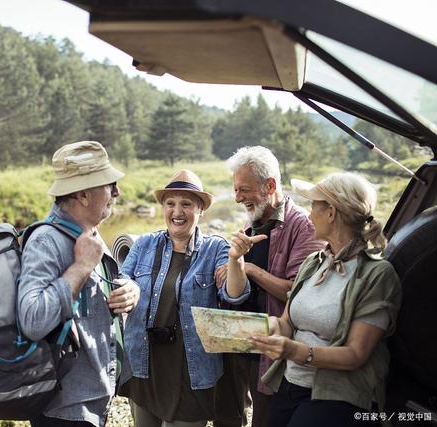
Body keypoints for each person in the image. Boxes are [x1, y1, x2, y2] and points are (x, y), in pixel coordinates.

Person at [251, 172, 402, 427]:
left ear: (331, 212)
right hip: (290, 384)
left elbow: (356, 354)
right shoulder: (314, 262)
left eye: (313, 206)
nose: (308, 215)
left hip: (339, 396)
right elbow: (288, 321)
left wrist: (295, 351)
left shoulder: (376, 274)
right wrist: (267, 329)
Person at [118, 169, 265, 427]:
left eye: (186, 204)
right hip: (144, 365)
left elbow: (235, 295)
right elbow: (122, 281)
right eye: (170, 204)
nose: (177, 212)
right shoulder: (144, 245)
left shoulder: (215, 248)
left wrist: (236, 260)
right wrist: (125, 291)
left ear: (201, 210)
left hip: (191, 371)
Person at [18, 140, 141, 427]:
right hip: (63, 412)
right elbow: (32, 319)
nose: (117, 192)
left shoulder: (89, 234)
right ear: (84, 194)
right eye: (109, 184)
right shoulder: (45, 241)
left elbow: (98, 288)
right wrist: (81, 266)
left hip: (90, 405)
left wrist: (130, 290)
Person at [214, 146, 324, 427]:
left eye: (244, 190)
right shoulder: (252, 222)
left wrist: (250, 269)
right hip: (237, 339)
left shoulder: (303, 226)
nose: (238, 198)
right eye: (235, 190)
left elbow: (300, 293)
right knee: (226, 415)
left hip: (272, 348)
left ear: (270, 185)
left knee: (264, 418)